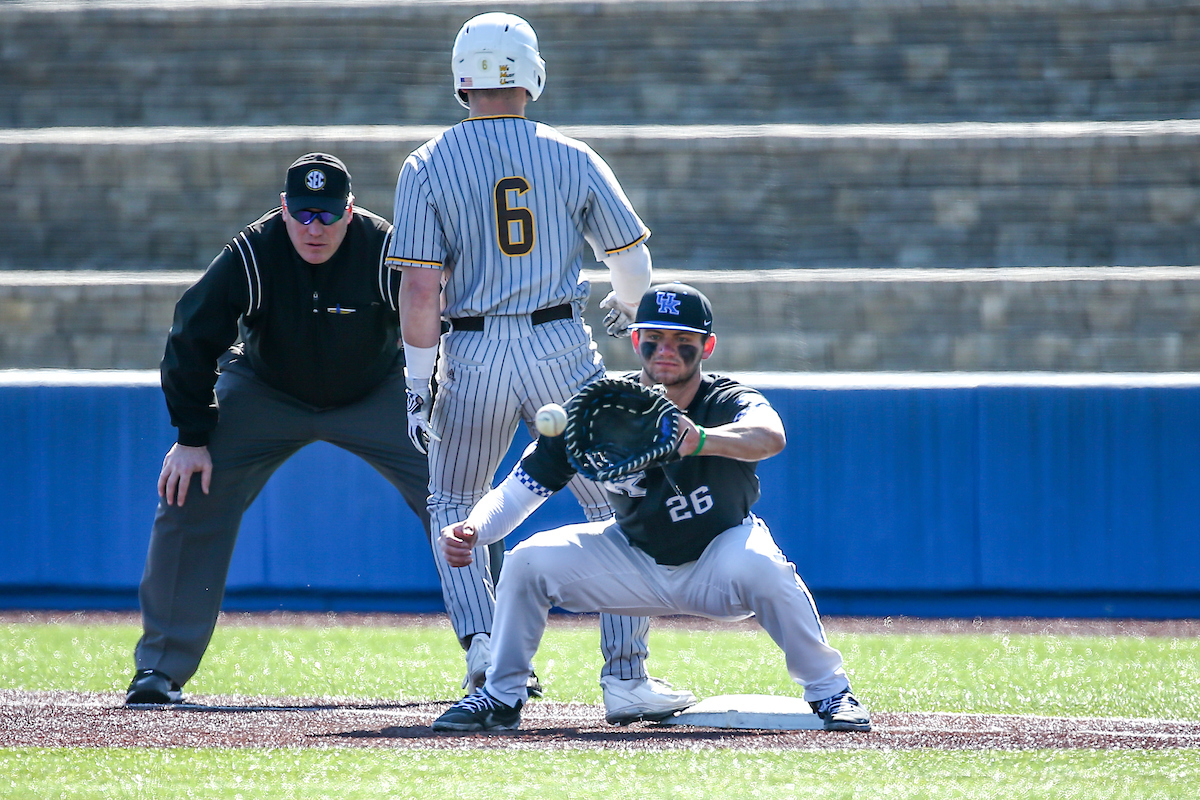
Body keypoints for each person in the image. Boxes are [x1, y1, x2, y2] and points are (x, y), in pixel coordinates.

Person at [385, 11, 694, 721]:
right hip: (560, 343)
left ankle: (488, 658)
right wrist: (626, 304)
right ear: (531, 76)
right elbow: (631, 259)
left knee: (455, 504)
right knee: (616, 500)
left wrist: (414, 380)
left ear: (462, 81)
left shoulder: (428, 162)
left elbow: (421, 288)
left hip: (473, 348)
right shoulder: (570, 153)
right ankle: (624, 677)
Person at [431, 283, 872, 732]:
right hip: (633, 556)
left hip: (719, 556)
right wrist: (475, 530)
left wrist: (699, 439)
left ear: (707, 347)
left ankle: (831, 692)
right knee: (526, 561)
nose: (666, 350)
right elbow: (522, 487)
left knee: (765, 567)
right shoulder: (601, 406)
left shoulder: (722, 399)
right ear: (635, 338)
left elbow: (770, 434)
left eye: (682, 342)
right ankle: (502, 696)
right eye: (654, 338)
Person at [124, 153, 435, 704]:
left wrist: (434, 400)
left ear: (351, 210)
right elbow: (191, 336)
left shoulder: (386, 248)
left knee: (458, 490)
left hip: (378, 390)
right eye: (304, 214)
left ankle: (500, 660)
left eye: (329, 215)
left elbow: (441, 321)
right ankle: (160, 669)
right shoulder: (253, 251)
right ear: (284, 208)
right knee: (189, 489)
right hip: (268, 391)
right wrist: (192, 438)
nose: (315, 229)